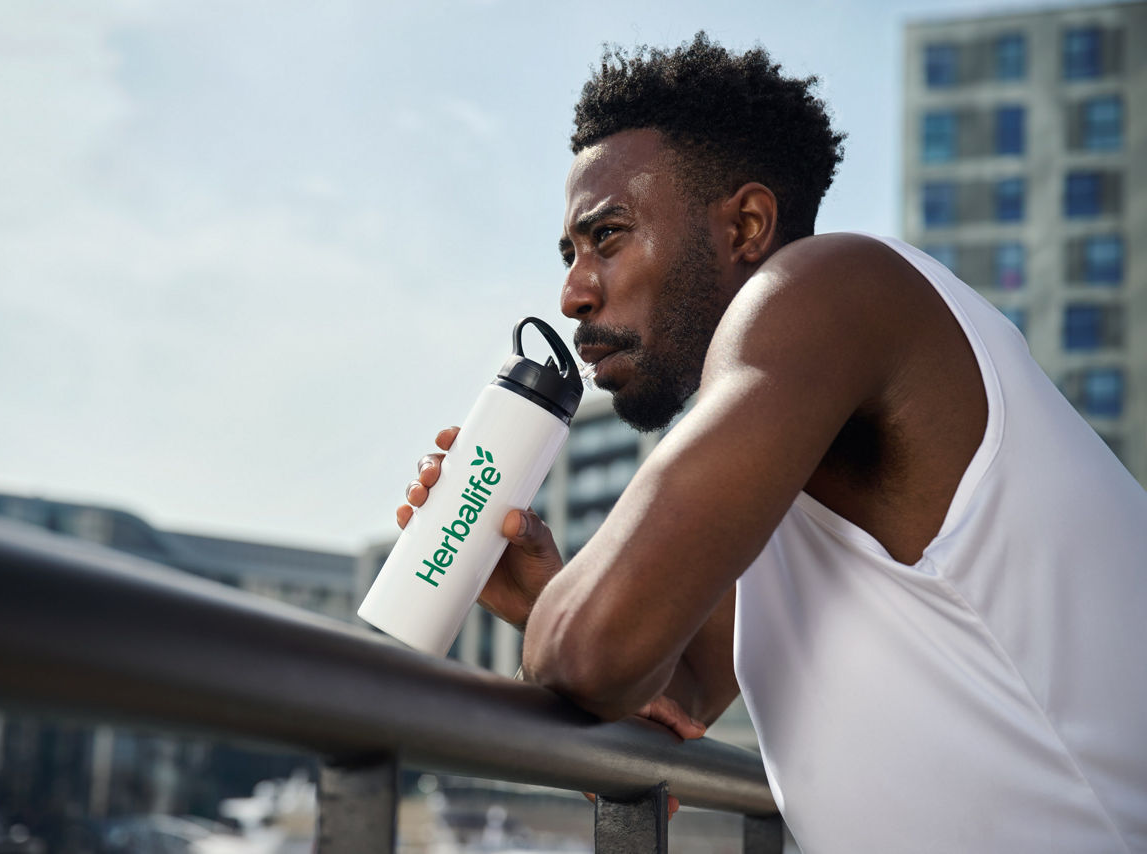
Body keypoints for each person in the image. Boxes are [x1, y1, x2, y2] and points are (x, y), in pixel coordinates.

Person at [397, 34, 1147, 852]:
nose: (573, 291)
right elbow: (675, 688)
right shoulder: (787, 448)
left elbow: (592, 655)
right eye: (569, 254)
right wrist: (544, 594)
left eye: (607, 237)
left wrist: (571, 628)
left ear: (747, 225)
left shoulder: (824, 288)